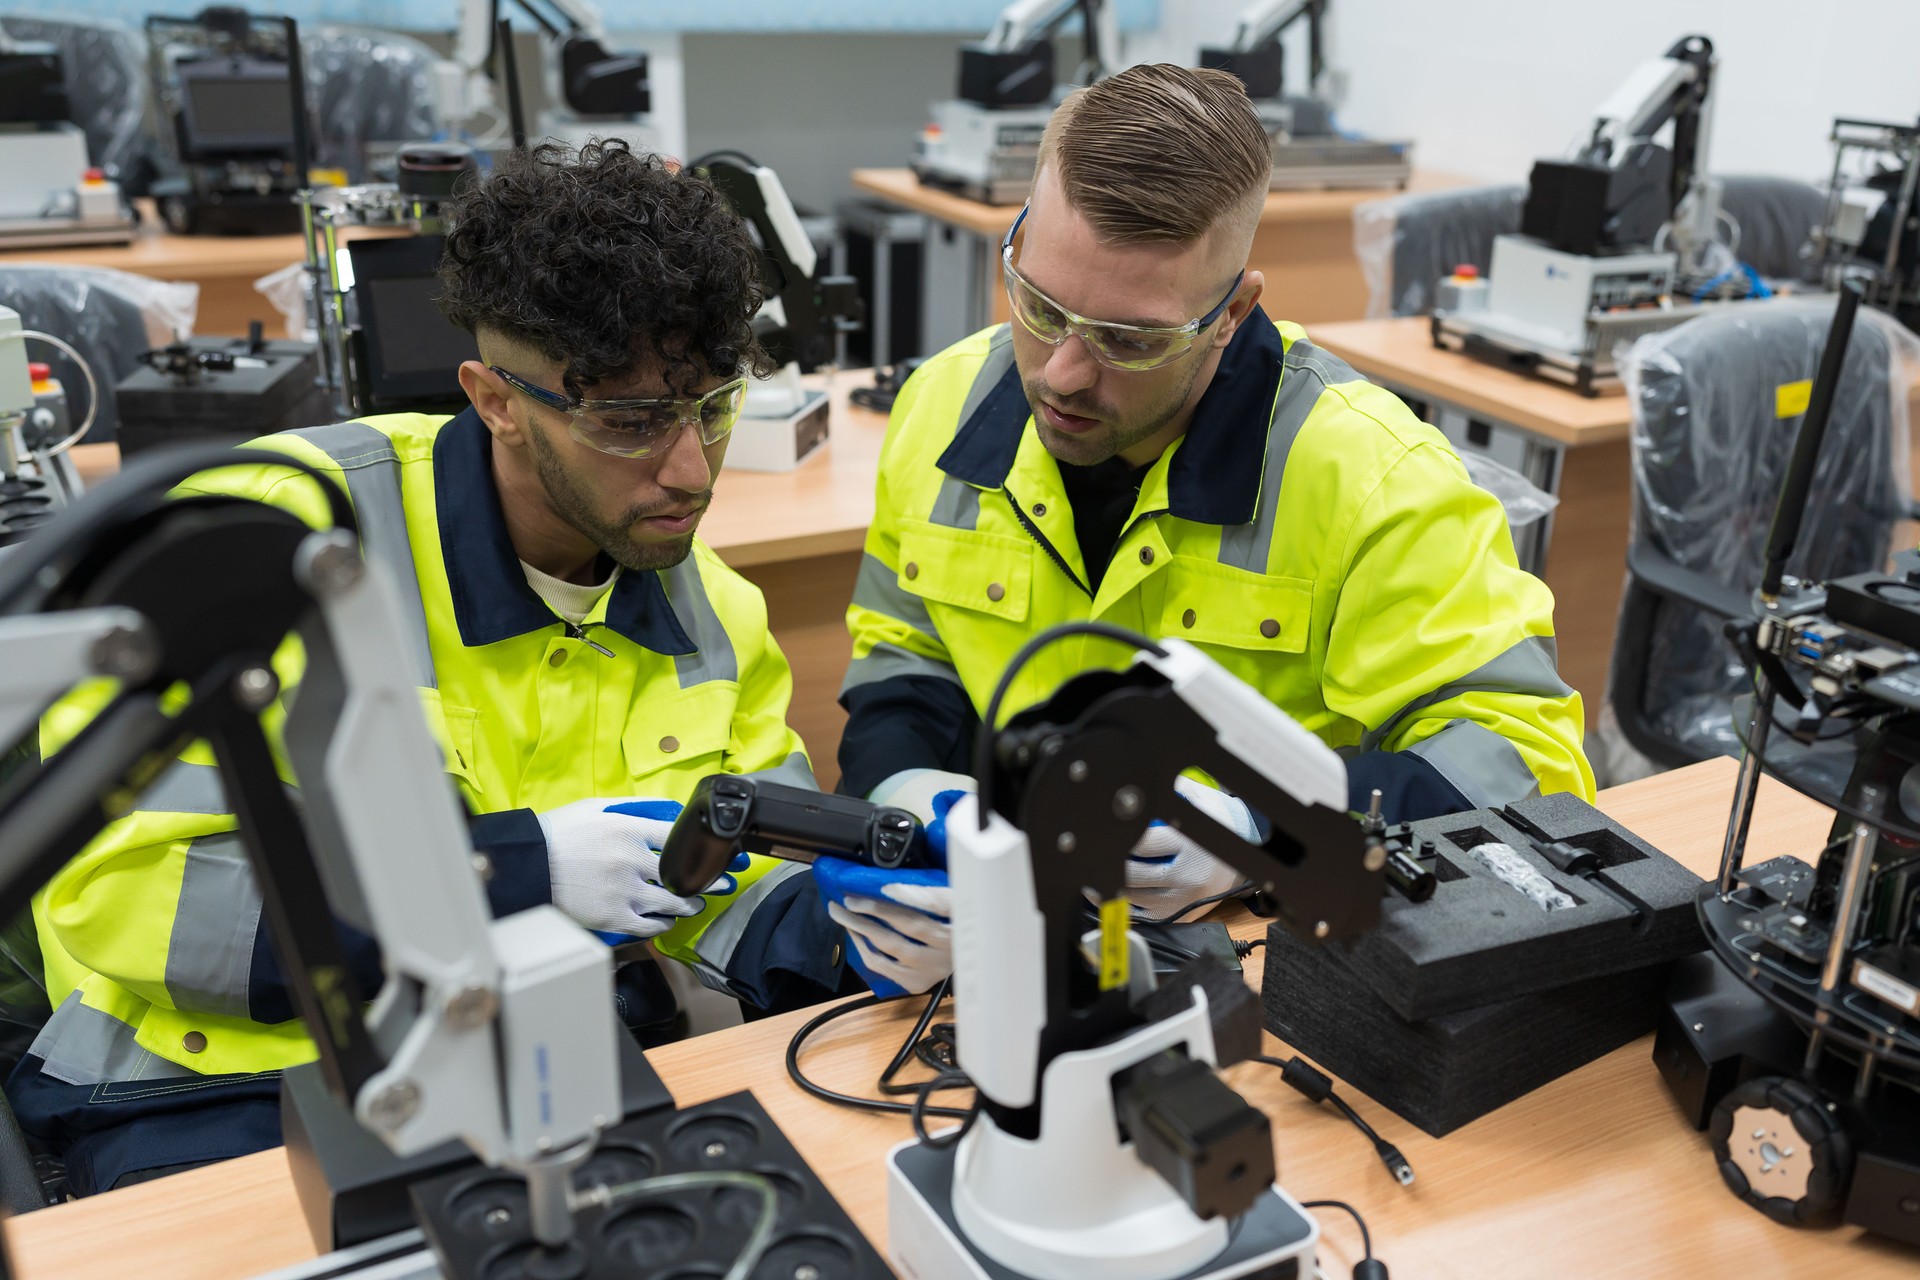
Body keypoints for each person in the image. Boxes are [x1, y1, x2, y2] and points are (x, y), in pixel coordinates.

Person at [11, 139, 847, 1195]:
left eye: (712, 407)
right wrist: (512, 870)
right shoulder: (267, 541)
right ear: (495, 400)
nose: (689, 470)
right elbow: (128, 896)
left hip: (538, 1058)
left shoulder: (710, 603)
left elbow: (744, 876)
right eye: (629, 421)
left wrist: (864, 922)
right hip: (215, 1084)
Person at [828, 64, 1595, 990]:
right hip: (1006, 936)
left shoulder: (1375, 479)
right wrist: (906, 800)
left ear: (1231, 312)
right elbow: (902, 659)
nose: (1063, 373)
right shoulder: (941, 402)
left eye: (1130, 338)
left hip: (1261, 958)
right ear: (1019, 242)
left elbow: (1527, 764)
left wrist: (1264, 830)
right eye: (1039, 306)